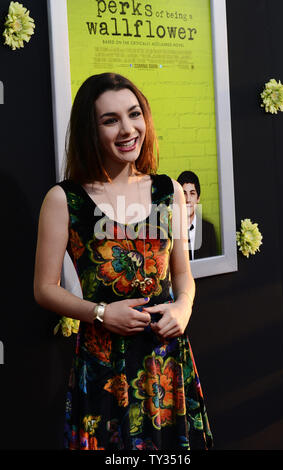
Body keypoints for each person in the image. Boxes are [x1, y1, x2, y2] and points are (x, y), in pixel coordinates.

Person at [34, 73, 213, 451]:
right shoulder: (64, 199)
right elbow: (45, 288)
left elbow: (183, 273)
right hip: (103, 364)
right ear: (90, 129)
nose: (128, 129)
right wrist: (101, 313)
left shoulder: (170, 192)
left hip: (165, 359)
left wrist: (184, 306)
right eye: (110, 120)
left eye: (134, 114)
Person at [177, 171, 217, 260]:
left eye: (192, 193)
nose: (188, 199)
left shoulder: (209, 230)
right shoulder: (170, 232)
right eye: (184, 193)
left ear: (198, 198)